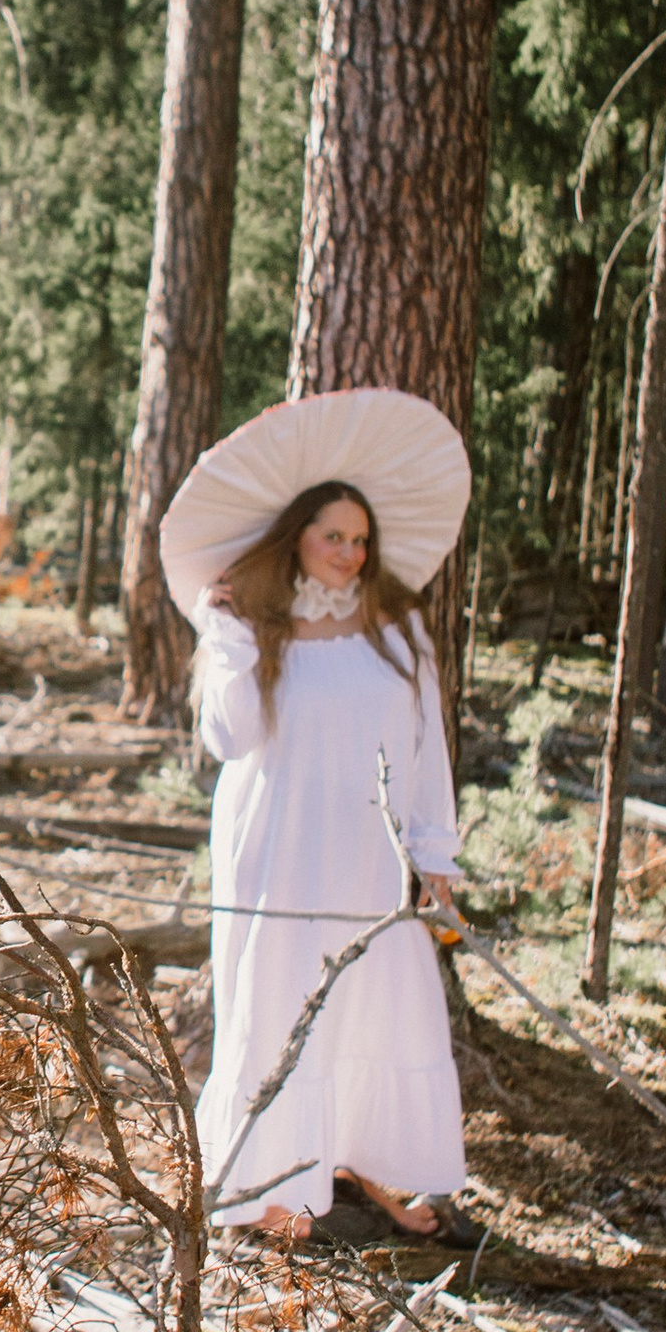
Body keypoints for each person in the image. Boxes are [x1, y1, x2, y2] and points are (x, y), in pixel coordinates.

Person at [158, 393, 480, 1252]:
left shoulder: (400, 630)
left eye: (360, 539)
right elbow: (232, 737)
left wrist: (432, 852)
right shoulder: (252, 623)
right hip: (276, 845)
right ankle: (272, 1182)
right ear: (297, 534)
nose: (349, 553)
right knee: (276, 999)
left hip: (369, 852)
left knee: (380, 998)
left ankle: (363, 1163)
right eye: (334, 535)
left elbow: (427, 748)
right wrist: (226, 636)